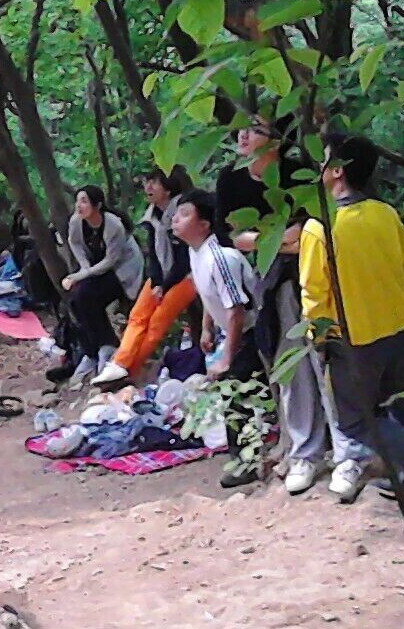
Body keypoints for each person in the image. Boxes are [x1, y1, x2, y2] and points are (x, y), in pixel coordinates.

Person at [298, 131, 404, 504]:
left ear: (338, 171)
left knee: (357, 420)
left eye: (325, 159)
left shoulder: (320, 229)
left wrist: (320, 339)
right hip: (397, 326)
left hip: (353, 341)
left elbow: (315, 294)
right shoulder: (385, 213)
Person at [217, 120, 354, 497]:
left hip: (318, 276)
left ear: (276, 139)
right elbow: (230, 235)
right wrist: (278, 240)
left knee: (328, 359)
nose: (243, 135)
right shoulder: (231, 179)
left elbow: (314, 226)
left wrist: (274, 240)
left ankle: (347, 452)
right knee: (291, 364)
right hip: (274, 282)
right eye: (241, 129)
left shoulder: (298, 172)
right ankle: (304, 452)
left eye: (255, 128)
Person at [173, 192, 268, 487]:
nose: (176, 219)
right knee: (237, 391)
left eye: (185, 214)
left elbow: (237, 309)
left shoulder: (220, 257)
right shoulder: (195, 252)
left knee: (235, 391)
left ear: (204, 224)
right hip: (231, 329)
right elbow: (208, 293)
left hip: (254, 328)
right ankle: (244, 454)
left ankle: (247, 461)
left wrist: (227, 356)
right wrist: (207, 327)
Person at [93, 167, 199, 390]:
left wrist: (165, 285)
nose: (147, 187)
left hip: (188, 276)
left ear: (168, 187)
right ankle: (119, 365)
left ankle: (128, 372)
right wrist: (158, 282)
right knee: (138, 315)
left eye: (154, 182)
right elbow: (153, 255)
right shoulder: (153, 215)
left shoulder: (182, 212)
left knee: (157, 322)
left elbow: (184, 258)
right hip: (164, 276)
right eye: (146, 182)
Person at [58, 186, 143, 378]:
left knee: (87, 296)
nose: (79, 206)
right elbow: (75, 244)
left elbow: (111, 260)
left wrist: (83, 275)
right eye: (78, 201)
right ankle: (92, 351)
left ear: (98, 205)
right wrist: (84, 268)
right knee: (75, 300)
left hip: (122, 270)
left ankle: (107, 346)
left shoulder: (114, 225)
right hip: (96, 269)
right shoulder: (76, 222)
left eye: (84, 201)